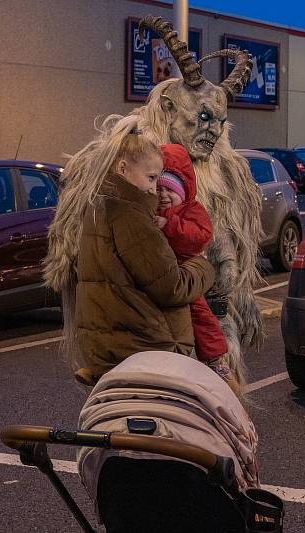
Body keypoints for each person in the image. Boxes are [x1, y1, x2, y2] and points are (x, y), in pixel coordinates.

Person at [73, 128, 216, 385]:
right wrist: (203, 265)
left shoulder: (97, 207)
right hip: (149, 350)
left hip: (107, 348)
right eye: (151, 178)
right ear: (123, 168)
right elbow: (172, 288)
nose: (153, 190)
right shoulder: (132, 216)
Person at [154, 143, 239, 393]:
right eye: (157, 188)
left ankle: (216, 360)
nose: (163, 195)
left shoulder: (192, 210)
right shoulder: (151, 210)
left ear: (184, 189)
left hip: (185, 272)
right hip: (164, 273)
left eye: (169, 189)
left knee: (201, 316)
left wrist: (169, 223)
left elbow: (199, 237)